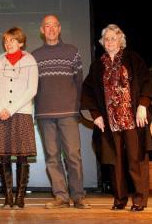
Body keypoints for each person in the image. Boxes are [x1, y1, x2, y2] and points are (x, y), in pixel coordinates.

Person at [80, 24, 152, 212]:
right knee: (114, 162)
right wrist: (96, 115)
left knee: (136, 159)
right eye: (106, 39)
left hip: (133, 118)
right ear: (102, 42)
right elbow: (88, 91)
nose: (109, 42)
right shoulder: (97, 65)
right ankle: (120, 199)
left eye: (113, 38)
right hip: (110, 122)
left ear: (121, 40)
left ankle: (139, 199)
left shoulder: (133, 59)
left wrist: (143, 105)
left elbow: (147, 82)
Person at [32, 14, 90, 209]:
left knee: (73, 155)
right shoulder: (34, 56)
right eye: (46, 26)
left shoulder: (72, 52)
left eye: (54, 25)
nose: (50, 29)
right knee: (52, 157)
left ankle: (79, 196)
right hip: (44, 114)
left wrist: (76, 107)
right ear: (42, 30)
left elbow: (79, 83)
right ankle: (61, 197)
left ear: (59, 28)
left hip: (68, 113)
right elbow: (32, 87)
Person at [0, 27, 38, 209]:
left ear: (21, 42)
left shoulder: (30, 61)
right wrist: (0, 108)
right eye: (6, 40)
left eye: (12, 40)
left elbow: (32, 89)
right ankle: (8, 197)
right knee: (4, 157)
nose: (8, 44)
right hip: (1, 115)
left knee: (22, 157)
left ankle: (20, 197)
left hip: (21, 114)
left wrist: (11, 108)